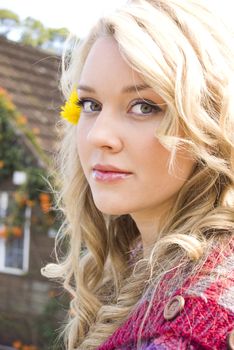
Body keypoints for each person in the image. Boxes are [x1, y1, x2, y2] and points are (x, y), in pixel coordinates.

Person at [41, 0, 234, 349]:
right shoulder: (136, 262)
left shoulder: (194, 325)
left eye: (144, 106)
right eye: (90, 104)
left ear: (209, 124)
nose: (99, 134)